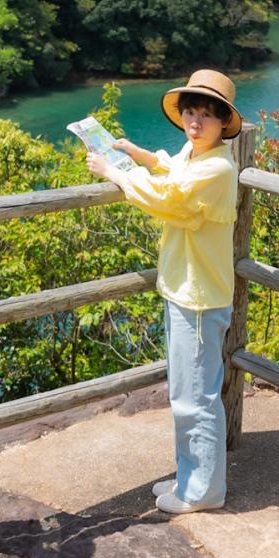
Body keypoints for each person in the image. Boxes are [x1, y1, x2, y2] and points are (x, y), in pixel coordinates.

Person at [85, 69, 242, 515]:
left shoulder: (216, 166)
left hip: (198, 297)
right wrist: (140, 155)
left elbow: (170, 199)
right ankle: (192, 478)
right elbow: (172, 171)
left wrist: (116, 172)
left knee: (195, 398)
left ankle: (203, 492)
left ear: (222, 122)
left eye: (206, 115)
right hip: (188, 291)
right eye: (191, 112)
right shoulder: (198, 154)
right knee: (189, 393)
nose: (195, 121)